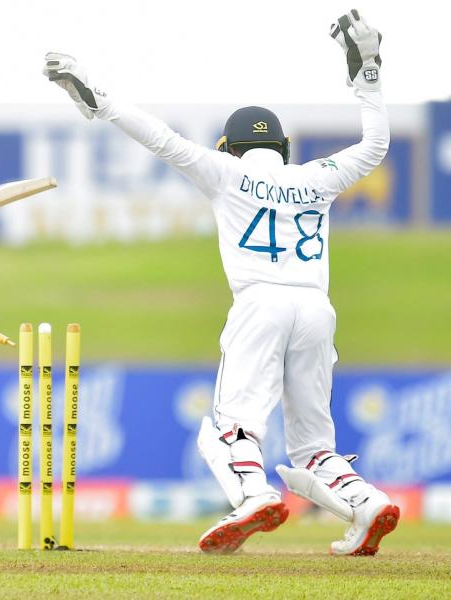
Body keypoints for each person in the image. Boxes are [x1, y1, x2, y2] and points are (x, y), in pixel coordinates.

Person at [43, 10, 399, 555]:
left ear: (230, 147)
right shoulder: (316, 177)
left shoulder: (226, 172)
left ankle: (254, 496)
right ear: (282, 148)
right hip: (316, 310)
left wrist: (100, 100)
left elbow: (163, 140)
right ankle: (369, 504)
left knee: (231, 426)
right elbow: (375, 145)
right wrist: (368, 71)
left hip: (259, 304)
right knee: (311, 445)